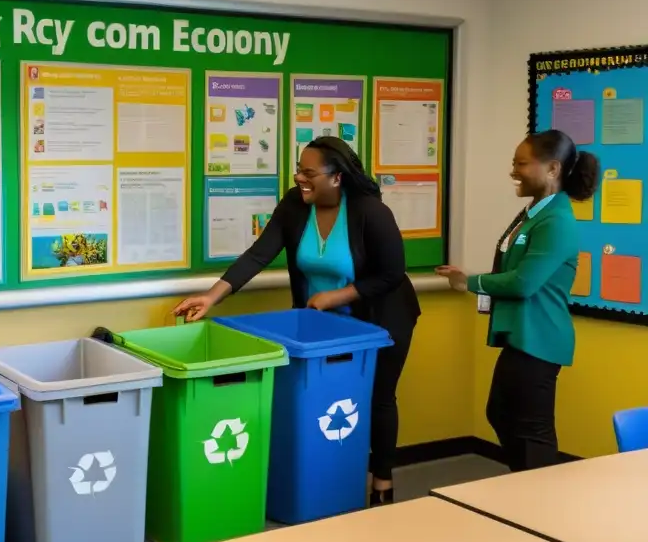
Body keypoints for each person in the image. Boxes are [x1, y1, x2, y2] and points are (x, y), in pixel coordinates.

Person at [175, 136, 420, 506]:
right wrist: (212, 296)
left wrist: (337, 296)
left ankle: (382, 482)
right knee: (325, 399)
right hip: (321, 327)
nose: (299, 179)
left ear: (336, 177)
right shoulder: (294, 205)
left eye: (309, 173)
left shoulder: (369, 211)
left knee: (378, 398)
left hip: (380, 322)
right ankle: (326, 475)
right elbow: (258, 254)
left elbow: (391, 274)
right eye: (298, 171)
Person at [436, 129, 599, 472]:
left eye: (521, 163)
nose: (514, 171)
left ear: (552, 169)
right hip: (521, 336)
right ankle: (525, 485)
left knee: (531, 431)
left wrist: (470, 282)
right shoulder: (535, 213)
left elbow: (525, 282)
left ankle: (536, 499)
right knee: (501, 413)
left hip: (540, 338)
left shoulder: (556, 220)